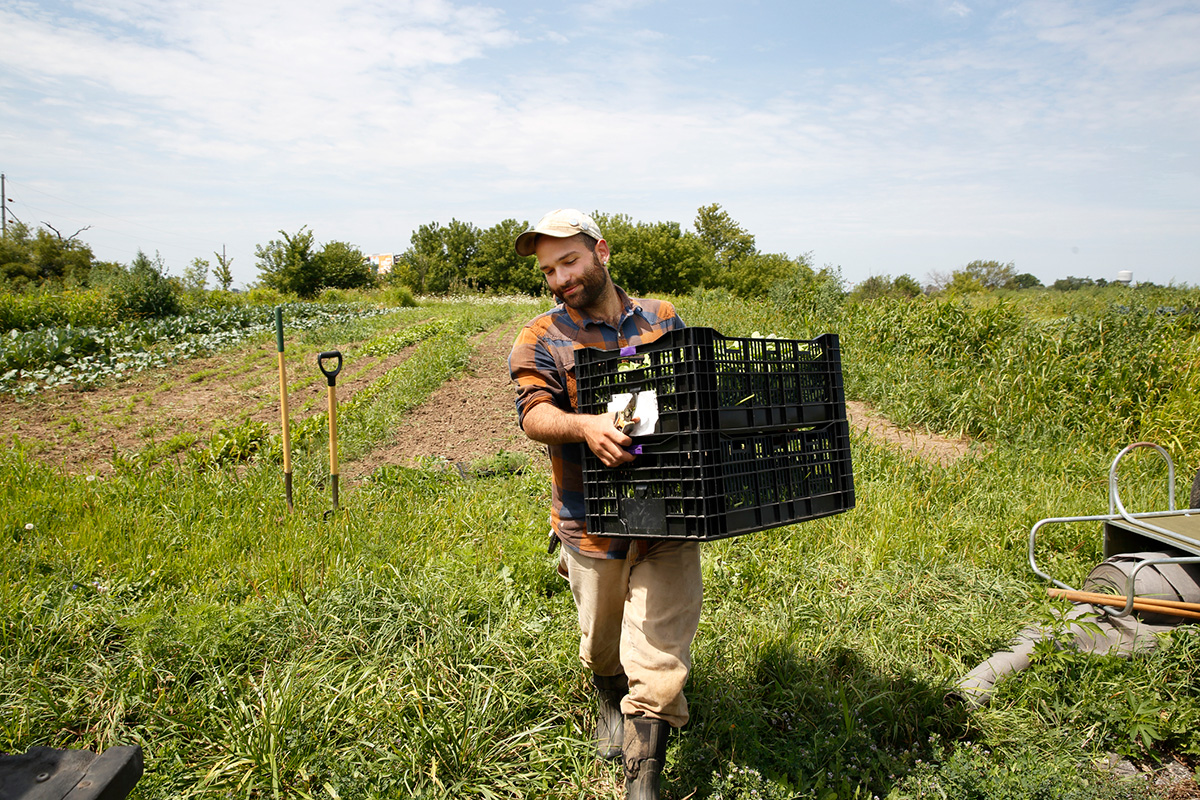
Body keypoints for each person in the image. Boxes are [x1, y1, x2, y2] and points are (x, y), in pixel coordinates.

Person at [508, 209, 703, 800]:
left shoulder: (663, 318)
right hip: (590, 518)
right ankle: (606, 688)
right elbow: (533, 414)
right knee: (601, 642)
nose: (560, 278)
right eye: (549, 270)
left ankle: (641, 783)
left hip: (669, 511)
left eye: (569, 261)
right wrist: (588, 425)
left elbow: (690, 390)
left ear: (602, 252)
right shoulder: (541, 336)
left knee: (661, 654)